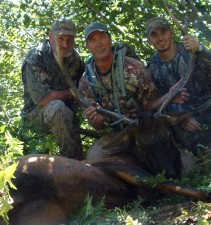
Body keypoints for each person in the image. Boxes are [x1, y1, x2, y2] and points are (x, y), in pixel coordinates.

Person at [78, 22, 189, 178]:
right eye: (93, 40)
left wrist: (168, 95)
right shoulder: (85, 82)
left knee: (185, 165)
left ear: (109, 39)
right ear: (88, 46)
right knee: (94, 161)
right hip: (120, 135)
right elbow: (97, 126)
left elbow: (150, 105)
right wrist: (97, 119)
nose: (99, 44)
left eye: (102, 37)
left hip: (146, 128)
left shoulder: (134, 68)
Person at [146, 17, 211, 155]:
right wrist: (181, 117)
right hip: (182, 116)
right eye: (154, 35)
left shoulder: (190, 49)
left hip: (210, 104)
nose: (160, 38)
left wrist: (200, 49)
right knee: (185, 141)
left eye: (163, 32)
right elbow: (155, 105)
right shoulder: (152, 68)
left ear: (171, 33)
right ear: (149, 40)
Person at [21, 18, 85, 160]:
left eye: (70, 40)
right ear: (51, 36)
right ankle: (71, 161)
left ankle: (80, 164)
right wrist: (71, 93)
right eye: (61, 38)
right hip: (35, 116)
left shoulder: (74, 59)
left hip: (68, 114)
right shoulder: (36, 57)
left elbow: (85, 87)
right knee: (57, 108)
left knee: (66, 112)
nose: (65, 44)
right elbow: (42, 99)